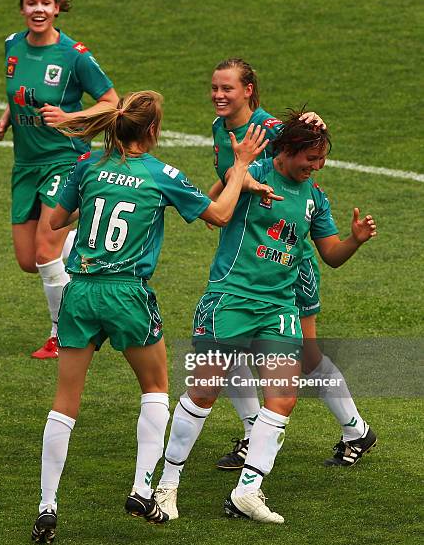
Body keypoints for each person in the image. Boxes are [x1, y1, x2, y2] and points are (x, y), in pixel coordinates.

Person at [30, 90, 272, 543]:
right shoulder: (161, 174)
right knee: (155, 388)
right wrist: (240, 166)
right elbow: (218, 214)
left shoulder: (87, 167)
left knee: (64, 405)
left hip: (79, 292)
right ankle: (142, 489)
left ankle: (47, 507)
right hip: (127, 296)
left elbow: (58, 222)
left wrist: (96, 194)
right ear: (153, 132)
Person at [154, 111, 377, 523]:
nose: (316, 166)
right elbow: (213, 211)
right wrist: (239, 173)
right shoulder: (251, 174)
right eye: (310, 157)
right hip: (230, 299)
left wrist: (354, 241)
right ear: (288, 151)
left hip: (279, 307)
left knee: (283, 397)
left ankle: (247, 491)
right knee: (204, 392)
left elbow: (330, 255)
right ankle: (166, 486)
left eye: (321, 158)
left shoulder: (314, 197)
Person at [206, 58, 375, 470]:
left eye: (227, 88)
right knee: (230, 350)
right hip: (249, 258)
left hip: (285, 267)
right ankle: (254, 433)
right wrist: (212, 203)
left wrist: (311, 120)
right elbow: (232, 174)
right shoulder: (220, 128)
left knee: (304, 357)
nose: (219, 95)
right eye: (214, 87)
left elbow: (304, 143)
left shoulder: (270, 132)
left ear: (249, 90)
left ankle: (353, 429)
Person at [0, 0, 118, 359]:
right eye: (31, 3)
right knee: (29, 260)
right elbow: (21, 94)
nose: (38, 10)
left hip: (65, 159)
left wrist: (70, 116)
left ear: (56, 8)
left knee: (46, 249)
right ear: (22, 9)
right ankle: (90, 239)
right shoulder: (12, 45)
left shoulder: (74, 55)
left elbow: (112, 101)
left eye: (45, 3)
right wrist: (6, 119)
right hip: (25, 164)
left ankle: (63, 335)